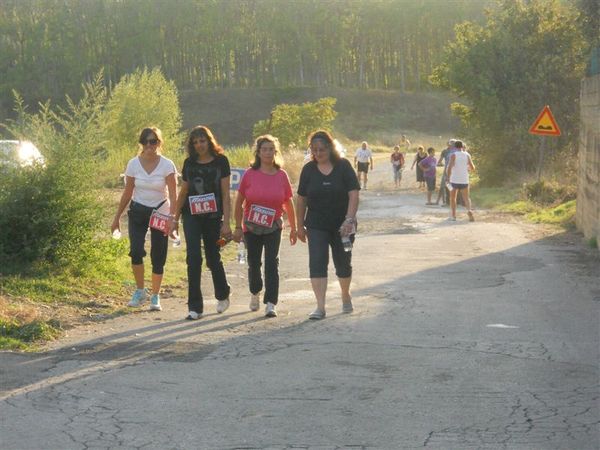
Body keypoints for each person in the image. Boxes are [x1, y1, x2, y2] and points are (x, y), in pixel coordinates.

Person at [111, 127, 177, 311]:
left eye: (153, 141)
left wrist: (173, 218)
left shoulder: (167, 165)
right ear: (141, 143)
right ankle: (140, 290)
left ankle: (155, 296)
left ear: (159, 143)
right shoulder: (133, 164)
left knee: (158, 253)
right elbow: (127, 192)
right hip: (138, 210)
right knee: (136, 250)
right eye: (146, 141)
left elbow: (173, 193)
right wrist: (117, 217)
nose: (149, 145)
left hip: (160, 211)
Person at [170, 126, 232, 320]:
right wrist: (175, 218)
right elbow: (184, 191)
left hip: (213, 217)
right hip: (192, 215)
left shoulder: (221, 161)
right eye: (195, 142)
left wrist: (227, 222)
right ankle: (195, 306)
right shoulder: (189, 163)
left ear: (209, 141)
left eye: (202, 141)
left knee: (213, 257)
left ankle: (222, 293)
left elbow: (225, 195)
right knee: (194, 257)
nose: (199, 145)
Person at [297, 130, 360, 320]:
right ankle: (320, 306)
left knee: (343, 263)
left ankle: (345, 294)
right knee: (317, 261)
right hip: (316, 224)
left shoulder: (343, 166)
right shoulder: (308, 170)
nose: (318, 153)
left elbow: (354, 193)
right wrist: (299, 225)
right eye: (314, 150)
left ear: (330, 148)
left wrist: (349, 219)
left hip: (343, 225)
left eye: (321, 149)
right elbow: (301, 199)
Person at [233, 135, 297, 318]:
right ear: (258, 153)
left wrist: (294, 227)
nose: (268, 153)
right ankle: (255, 291)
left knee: (272, 263)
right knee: (254, 263)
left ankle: (271, 302)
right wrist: (237, 226)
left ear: (275, 153)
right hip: (251, 226)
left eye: (271, 149)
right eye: (265, 149)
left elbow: (289, 203)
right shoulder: (249, 174)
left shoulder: (281, 175)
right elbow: (239, 203)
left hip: (274, 226)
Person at [447, 140, 476, 222]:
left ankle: (453, 216)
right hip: (464, 179)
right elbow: (473, 168)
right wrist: (467, 169)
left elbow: (449, 167)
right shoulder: (467, 155)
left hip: (454, 179)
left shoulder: (453, 155)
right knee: (466, 198)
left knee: (453, 198)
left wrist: (447, 178)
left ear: (455, 147)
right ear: (462, 146)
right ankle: (469, 210)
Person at [435, 139, 456, 206]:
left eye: (452, 144)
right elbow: (439, 161)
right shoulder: (445, 151)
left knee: (451, 186)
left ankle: (449, 201)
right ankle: (438, 201)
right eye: (450, 143)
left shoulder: (456, 151)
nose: (451, 145)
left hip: (454, 171)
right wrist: (441, 164)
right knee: (443, 186)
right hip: (446, 171)